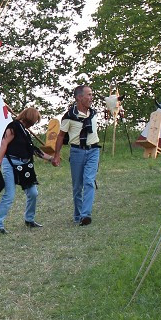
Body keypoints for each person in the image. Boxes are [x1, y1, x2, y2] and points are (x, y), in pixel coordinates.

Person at [0, 106, 49, 233]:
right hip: (10, 163)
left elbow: (33, 150)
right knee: (9, 195)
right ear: (30, 118)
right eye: (34, 121)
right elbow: (4, 143)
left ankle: (29, 219)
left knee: (33, 193)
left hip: (25, 165)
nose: (34, 124)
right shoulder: (14, 127)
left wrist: (51, 158)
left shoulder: (25, 132)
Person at [52, 85, 100, 226]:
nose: (91, 98)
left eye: (91, 95)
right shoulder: (69, 116)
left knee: (89, 181)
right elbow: (61, 136)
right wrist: (57, 154)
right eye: (89, 95)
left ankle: (86, 215)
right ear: (79, 97)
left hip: (93, 150)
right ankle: (78, 215)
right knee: (77, 186)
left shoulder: (93, 113)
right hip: (77, 151)